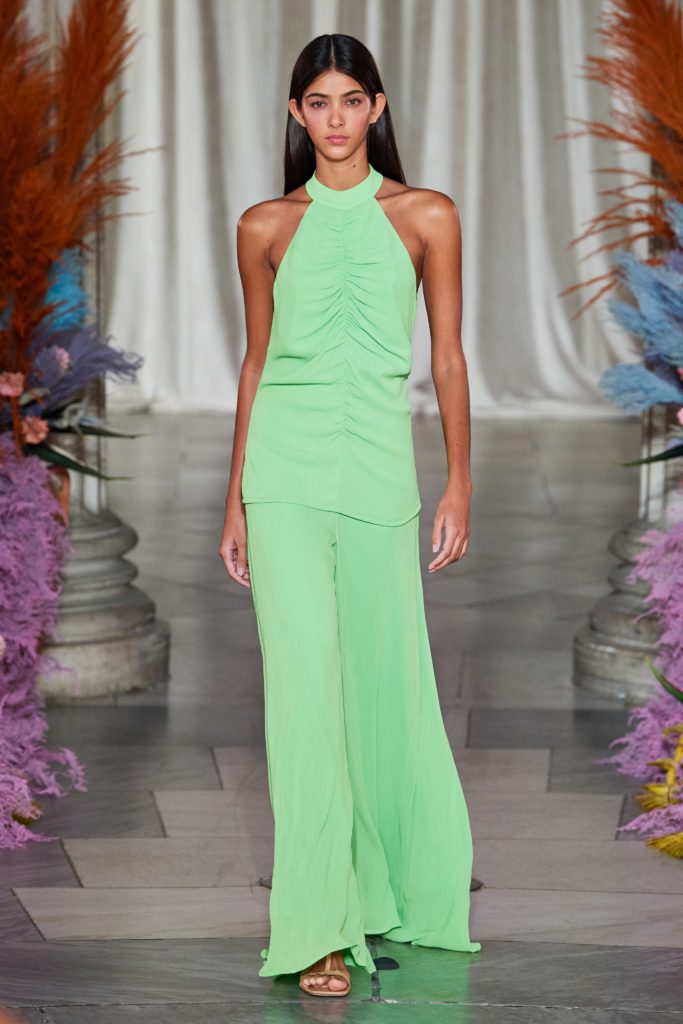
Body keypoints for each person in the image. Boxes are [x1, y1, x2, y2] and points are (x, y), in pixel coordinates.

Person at [219, 32, 481, 999]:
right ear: (297, 114)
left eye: (351, 100)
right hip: (282, 478)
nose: (335, 118)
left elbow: (446, 357)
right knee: (301, 698)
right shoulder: (263, 225)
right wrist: (235, 498)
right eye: (317, 102)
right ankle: (318, 929)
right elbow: (256, 362)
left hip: (379, 478)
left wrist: (459, 483)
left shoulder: (426, 215)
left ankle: (386, 886)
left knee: (382, 689)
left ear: (377, 107)